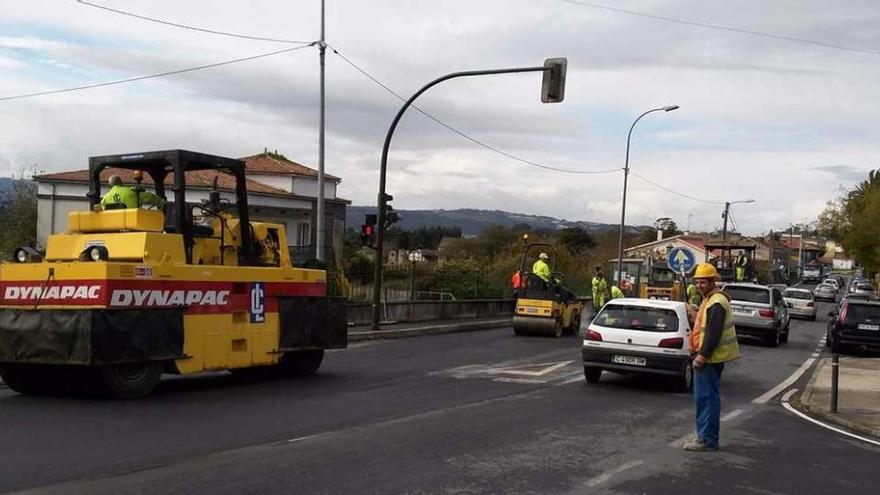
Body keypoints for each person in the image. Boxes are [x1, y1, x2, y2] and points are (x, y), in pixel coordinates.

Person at [684, 262, 740, 452]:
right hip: (713, 358)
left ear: (712, 281)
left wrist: (702, 356)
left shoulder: (716, 302)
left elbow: (713, 333)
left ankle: (706, 439)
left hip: (710, 358)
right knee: (709, 398)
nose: (699, 286)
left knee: (706, 399)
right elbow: (705, 326)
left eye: (703, 282)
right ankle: (706, 436)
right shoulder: (712, 299)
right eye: (697, 282)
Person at [101, 174, 166, 209]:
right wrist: (162, 202)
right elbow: (149, 197)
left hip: (114, 226)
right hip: (133, 223)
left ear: (109, 185)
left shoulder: (105, 198)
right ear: (121, 183)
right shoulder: (131, 191)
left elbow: (101, 208)